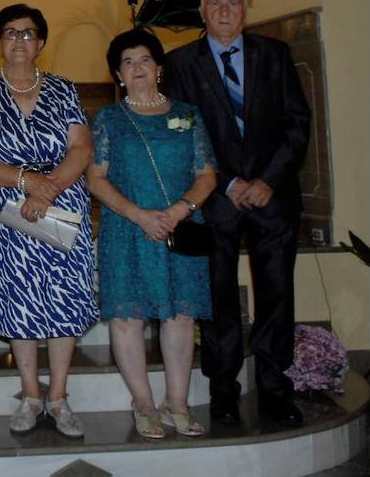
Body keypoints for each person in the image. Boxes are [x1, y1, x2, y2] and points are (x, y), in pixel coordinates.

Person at [163, 0, 311, 428]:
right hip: (215, 199)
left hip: (272, 196)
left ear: (245, 11)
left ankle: (275, 388)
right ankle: (223, 390)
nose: (225, 10)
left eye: (233, 3)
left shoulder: (275, 55)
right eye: (216, 4)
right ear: (203, 13)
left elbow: (297, 123)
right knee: (219, 298)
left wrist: (267, 179)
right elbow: (180, 131)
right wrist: (225, 183)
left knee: (277, 296)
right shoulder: (180, 63)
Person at [0, 3, 97, 438]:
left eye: (27, 33)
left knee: (64, 297)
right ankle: (30, 395)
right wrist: (26, 182)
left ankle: (58, 396)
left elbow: (80, 148)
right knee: (18, 298)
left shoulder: (64, 89)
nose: (19, 40)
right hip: (6, 209)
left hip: (61, 201)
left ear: (40, 42)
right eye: (10, 32)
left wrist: (50, 187)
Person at [88, 28, 217, 439]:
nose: (137, 68)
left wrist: (180, 210)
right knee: (128, 317)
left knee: (179, 316)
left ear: (158, 68)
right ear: (118, 74)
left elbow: (206, 174)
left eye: (144, 59)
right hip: (127, 230)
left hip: (181, 229)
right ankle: (144, 404)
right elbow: (95, 178)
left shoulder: (187, 115)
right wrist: (140, 215)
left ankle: (177, 403)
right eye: (127, 62)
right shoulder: (108, 119)